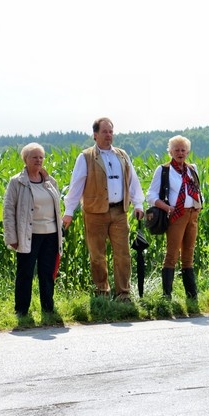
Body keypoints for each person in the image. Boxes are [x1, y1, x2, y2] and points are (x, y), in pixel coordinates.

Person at [62, 117, 145, 301]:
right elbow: (76, 185)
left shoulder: (122, 155)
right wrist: (69, 211)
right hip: (94, 213)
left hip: (119, 212)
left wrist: (138, 203)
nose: (109, 135)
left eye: (111, 131)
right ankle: (102, 292)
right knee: (97, 255)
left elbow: (133, 181)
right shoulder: (85, 157)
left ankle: (123, 293)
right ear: (95, 134)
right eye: (105, 132)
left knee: (123, 254)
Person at [3, 143, 63, 316]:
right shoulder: (17, 182)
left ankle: (48, 308)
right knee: (25, 273)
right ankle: (21, 310)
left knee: (47, 272)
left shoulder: (51, 182)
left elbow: (57, 209)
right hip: (27, 234)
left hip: (50, 235)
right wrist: (11, 237)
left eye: (41, 157)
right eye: (34, 157)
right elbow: (8, 210)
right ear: (25, 159)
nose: (38, 160)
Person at [146, 135, 203, 299]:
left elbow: (197, 190)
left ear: (188, 152)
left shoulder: (192, 169)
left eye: (183, 150)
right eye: (176, 150)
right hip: (176, 215)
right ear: (170, 152)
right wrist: (166, 207)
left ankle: (192, 297)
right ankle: (167, 296)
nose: (180, 153)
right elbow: (150, 195)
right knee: (172, 255)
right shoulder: (163, 170)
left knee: (188, 255)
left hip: (192, 214)